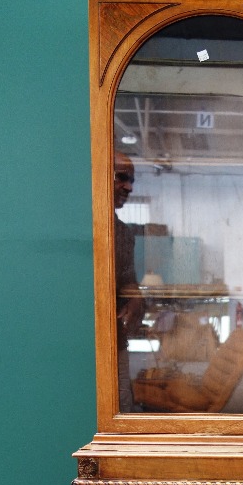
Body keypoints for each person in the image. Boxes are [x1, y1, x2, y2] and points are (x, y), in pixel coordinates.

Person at [113, 151, 144, 411]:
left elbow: (128, 280)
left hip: (117, 340)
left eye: (132, 180)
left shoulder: (123, 233)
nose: (129, 187)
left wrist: (135, 297)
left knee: (122, 404)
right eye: (122, 177)